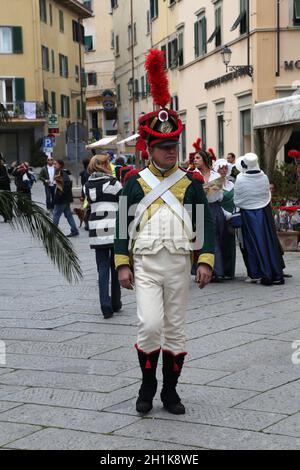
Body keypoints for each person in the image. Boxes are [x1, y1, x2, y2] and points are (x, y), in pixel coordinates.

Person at [114, 49, 215, 416]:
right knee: (150, 325)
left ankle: (170, 394)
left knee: (175, 331)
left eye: (174, 146)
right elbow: (123, 225)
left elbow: (203, 222)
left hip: (176, 264)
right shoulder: (134, 183)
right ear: (150, 149)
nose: (171, 152)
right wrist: (122, 264)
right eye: (164, 147)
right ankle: (146, 386)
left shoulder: (191, 183)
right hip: (145, 264)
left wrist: (204, 259)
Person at [234, 153, 284, 285]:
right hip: (264, 212)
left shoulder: (240, 178)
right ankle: (274, 271)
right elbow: (265, 194)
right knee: (268, 241)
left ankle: (259, 272)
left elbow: (237, 200)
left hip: (248, 214)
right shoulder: (264, 177)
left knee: (252, 243)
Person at [84, 154, 123, 319]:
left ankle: (105, 305)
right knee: (117, 266)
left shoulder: (87, 185)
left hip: (96, 228)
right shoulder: (114, 183)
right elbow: (123, 202)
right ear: (105, 164)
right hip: (113, 227)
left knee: (102, 268)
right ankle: (116, 302)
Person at [194, 148, 227, 282]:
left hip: (213, 208)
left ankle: (218, 271)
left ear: (205, 160)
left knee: (216, 239)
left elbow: (221, 195)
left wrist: (211, 190)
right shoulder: (193, 175)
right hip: (199, 209)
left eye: (197, 158)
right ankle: (200, 272)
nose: (195, 160)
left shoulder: (215, 176)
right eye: (194, 158)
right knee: (200, 240)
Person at [214, 158, 236, 280]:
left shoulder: (231, 184)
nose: (223, 170)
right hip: (220, 217)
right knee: (220, 243)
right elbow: (212, 201)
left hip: (231, 218)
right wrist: (225, 213)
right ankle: (219, 270)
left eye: (225, 168)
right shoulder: (215, 182)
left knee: (230, 244)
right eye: (220, 168)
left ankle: (229, 271)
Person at [52, 159, 79, 238]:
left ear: (60, 165)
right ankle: (74, 230)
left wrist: (60, 195)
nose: (54, 165)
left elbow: (65, 186)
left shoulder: (62, 173)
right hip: (65, 199)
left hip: (61, 199)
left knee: (56, 214)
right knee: (68, 215)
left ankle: (54, 232)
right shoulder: (62, 173)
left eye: (55, 164)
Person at [0, 155, 12, 222]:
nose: (2, 162)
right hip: (1, 188)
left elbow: (8, 173)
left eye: (2, 161)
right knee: (2, 203)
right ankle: (5, 216)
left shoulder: (4, 168)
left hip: (7, 187)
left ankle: (8, 216)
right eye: (1, 161)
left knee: (9, 202)